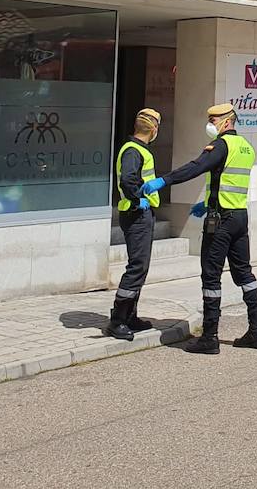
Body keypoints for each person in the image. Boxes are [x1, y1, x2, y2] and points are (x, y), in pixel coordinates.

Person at [139, 103, 257, 355]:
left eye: (214, 120)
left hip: (221, 223)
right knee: (245, 275)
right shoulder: (246, 147)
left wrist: (164, 180)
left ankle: (210, 336)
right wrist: (207, 202)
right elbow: (228, 181)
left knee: (211, 277)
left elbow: (196, 167)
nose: (210, 124)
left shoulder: (221, 145)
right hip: (239, 217)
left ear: (227, 122)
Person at [105, 107, 163, 341]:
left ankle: (130, 316)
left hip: (142, 214)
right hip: (136, 214)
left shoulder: (137, 149)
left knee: (141, 266)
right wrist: (138, 200)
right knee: (137, 266)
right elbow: (129, 180)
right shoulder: (133, 150)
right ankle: (118, 320)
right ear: (154, 128)